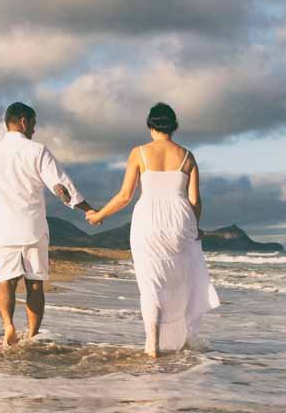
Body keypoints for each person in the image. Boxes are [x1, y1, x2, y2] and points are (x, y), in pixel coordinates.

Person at [86, 102, 220, 357]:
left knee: (151, 284)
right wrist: (195, 228)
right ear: (174, 126)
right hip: (180, 220)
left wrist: (99, 215)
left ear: (150, 126)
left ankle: (152, 345)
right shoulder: (188, 157)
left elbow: (125, 196)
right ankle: (178, 341)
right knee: (176, 283)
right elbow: (195, 201)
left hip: (148, 219)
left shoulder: (139, 153)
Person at [0, 102, 94, 346]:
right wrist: (88, 208)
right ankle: (31, 335)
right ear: (23, 121)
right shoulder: (36, 150)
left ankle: (8, 326)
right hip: (32, 227)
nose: (34, 129)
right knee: (35, 284)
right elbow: (60, 186)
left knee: (5, 281)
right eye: (34, 123)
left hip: (2, 229)